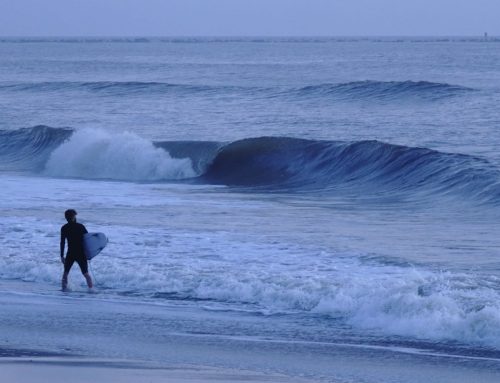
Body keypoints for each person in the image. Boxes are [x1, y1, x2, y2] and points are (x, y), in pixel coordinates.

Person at [60, 209, 93, 291]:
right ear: (74, 217)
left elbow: (62, 242)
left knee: (65, 273)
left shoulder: (64, 228)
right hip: (81, 253)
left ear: (66, 217)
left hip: (70, 253)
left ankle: (64, 289)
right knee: (86, 274)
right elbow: (88, 240)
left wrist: (61, 256)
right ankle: (91, 290)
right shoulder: (81, 227)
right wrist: (89, 254)